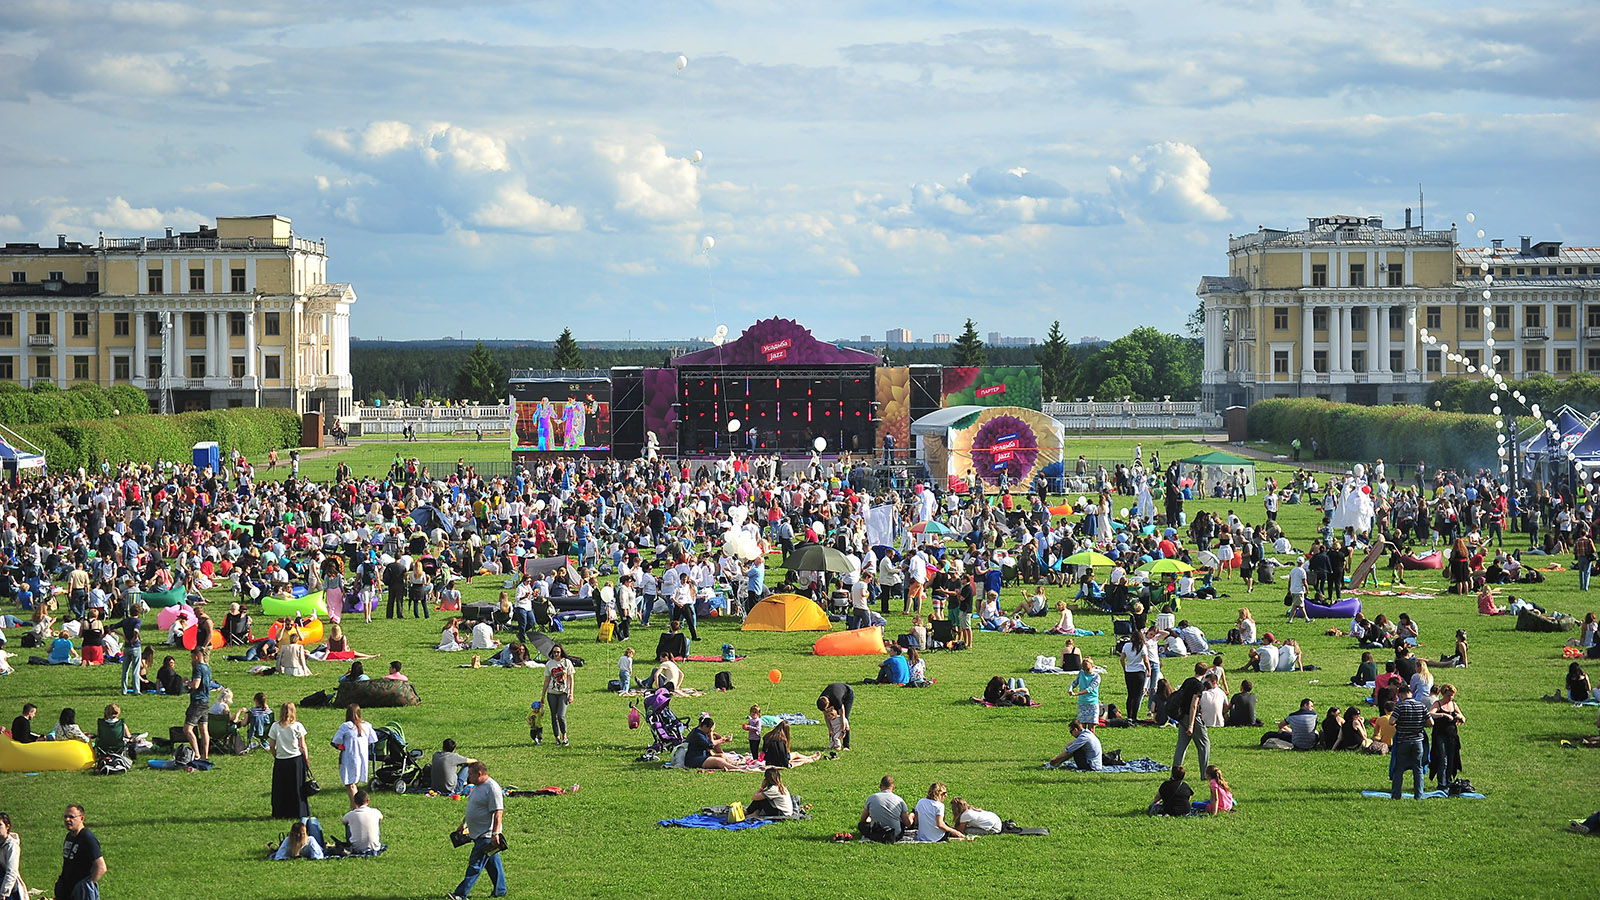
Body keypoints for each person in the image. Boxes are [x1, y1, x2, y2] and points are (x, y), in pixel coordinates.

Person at [448, 761, 506, 900]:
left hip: (486, 834)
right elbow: (474, 807)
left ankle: (460, 894)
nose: (469, 778)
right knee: (492, 863)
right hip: (477, 833)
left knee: (475, 865)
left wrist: (495, 834)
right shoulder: (478, 786)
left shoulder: (492, 788)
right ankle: (500, 890)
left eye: (470, 774)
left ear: (479, 774)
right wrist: (464, 823)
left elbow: (498, 813)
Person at [269, 701, 312, 819]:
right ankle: (298, 811)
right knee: (297, 787)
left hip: (281, 760)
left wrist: (276, 755)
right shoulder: (297, 726)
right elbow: (302, 745)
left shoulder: (275, 726)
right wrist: (306, 759)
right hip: (295, 759)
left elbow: (272, 745)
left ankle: (280, 812)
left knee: (281, 788)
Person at [1390, 682, 1433, 800]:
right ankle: (1418, 795)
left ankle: (1396, 795)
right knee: (1418, 769)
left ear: (1401, 695)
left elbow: (1391, 722)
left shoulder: (1400, 706)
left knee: (1399, 769)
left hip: (1403, 741)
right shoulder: (1421, 706)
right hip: (1418, 741)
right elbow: (1431, 723)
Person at [332, 704, 378, 809]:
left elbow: (336, 741)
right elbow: (373, 740)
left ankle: (356, 808)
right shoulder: (367, 725)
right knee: (353, 783)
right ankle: (357, 807)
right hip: (362, 757)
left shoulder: (346, 726)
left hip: (349, 757)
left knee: (350, 784)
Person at [56, 805, 104, 900]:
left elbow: (101, 867)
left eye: (71, 817)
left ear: (81, 818)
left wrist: (85, 886)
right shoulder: (69, 836)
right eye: (65, 817)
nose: (67, 820)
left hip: (80, 894)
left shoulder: (88, 838)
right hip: (67, 890)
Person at [1171, 661, 1210, 775]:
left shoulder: (1187, 681)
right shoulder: (1199, 685)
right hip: (1191, 717)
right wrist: (1191, 725)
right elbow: (1193, 705)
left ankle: (1175, 773)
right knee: (1204, 744)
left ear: (1195, 670)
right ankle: (1204, 774)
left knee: (1181, 746)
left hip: (1181, 716)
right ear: (1205, 672)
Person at [1430, 683, 1465, 789]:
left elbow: (1463, 717)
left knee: (1451, 759)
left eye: (1452, 695)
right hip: (1440, 735)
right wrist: (1443, 715)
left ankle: (1449, 781)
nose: (1450, 697)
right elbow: (1430, 714)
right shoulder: (1438, 704)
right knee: (1442, 759)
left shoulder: (1454, 705)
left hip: (1452, 736)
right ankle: (1441, 783)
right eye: (1449, 695)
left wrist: (1460, 716)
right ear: (1443, 694)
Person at [859, 775, 914, 843]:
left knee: (861, 825)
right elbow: (907, 823)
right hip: (894, 834)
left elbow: (863, 819)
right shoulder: (899, 800)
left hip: (876, 832)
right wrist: (911, 815)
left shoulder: (872, 798)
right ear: (893, 788)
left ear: (880, 786)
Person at [183, 647, 215, 761]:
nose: (191, 660)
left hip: (197, 701)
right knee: (204, 729)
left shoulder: (198, 668)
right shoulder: (207, 667)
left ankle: (196, 754)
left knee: (187, 729)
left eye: (192, 657)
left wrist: (187, 682)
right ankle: (205, 755)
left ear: (196, 657)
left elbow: (196, 685)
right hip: (206, 700)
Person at [542, 643, 575, 746]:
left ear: (561, 652)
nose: (556, 654)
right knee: (554, 716)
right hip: (552, 693)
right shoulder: (549, 664)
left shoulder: (567, 662)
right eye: (554, 652)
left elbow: (571, 679)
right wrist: (542, 695)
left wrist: (571, 693)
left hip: (563, 693)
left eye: (558, 652)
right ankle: (557, 737)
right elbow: (547, 680)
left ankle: (564, 735)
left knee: (561, 715)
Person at [341, 790, 384, 856]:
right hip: (375, 848)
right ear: (368, 801)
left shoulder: (351, 814)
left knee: (348, 824)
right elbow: (381, 818)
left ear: (355, 802)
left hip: (356, 848)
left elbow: (343, 821)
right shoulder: (375, 812)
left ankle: (351, 843)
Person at [817, 682, 854, 749]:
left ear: (828, 703)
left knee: (845, 719)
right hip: (835, 691)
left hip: (847, 693)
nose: (826, 710)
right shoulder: (820, 702)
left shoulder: (836, 699)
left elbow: (842, 715)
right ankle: (833, 744)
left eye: (826, 708)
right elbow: (826, 717)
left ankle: (846, 746)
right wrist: (830, 730)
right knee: (831, 717)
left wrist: (843, 731)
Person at [0, 811, 28, 900]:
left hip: (8, 890)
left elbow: (11, 871)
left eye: (0, 825)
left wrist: (4, 892)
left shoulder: (11, 845)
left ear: (7, 826)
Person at [1071, 655, 1100, 729]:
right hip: (1082, 703)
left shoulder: (1096, 677)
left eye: (1088, 669)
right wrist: (1070, 688)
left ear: (1092, 666)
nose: (1086, 671)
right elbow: (1075, 683)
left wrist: (1077, 693)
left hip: (1092, 703)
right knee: (1082, 728)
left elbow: (1089, 689)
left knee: (1091, 728)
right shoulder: (1081, 673)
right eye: (1084, 669)